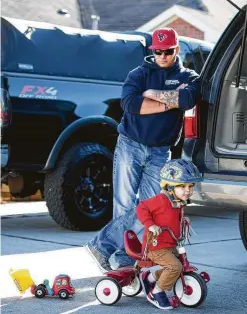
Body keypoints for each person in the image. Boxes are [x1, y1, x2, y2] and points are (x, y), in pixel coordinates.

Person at [84, 28, 201, 272]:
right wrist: (170, 101)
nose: (162, 56)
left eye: (167, 51)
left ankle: (104, 247)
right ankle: (121, 258)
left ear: (176, 50)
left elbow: (188, 100)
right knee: (124, 203)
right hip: (131, 145)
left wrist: (152, 95)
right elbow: (131, 105)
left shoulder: (188, 76)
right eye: (158, 51)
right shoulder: (138, 74)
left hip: (161, 151)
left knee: (152, 206)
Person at [137, 159, 202, 310]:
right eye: (182, 186)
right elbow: (141, 207)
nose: (188, 190)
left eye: (191, 186)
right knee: (174, 266)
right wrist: (150, 225)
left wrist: (182, 219)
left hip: (170, 243)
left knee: (176, 265)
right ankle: (156, 292)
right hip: (155, 246)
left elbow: (170, 217)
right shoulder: (161, 200)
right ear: (169, 187)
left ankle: (150, 278)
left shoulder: (178, 200)